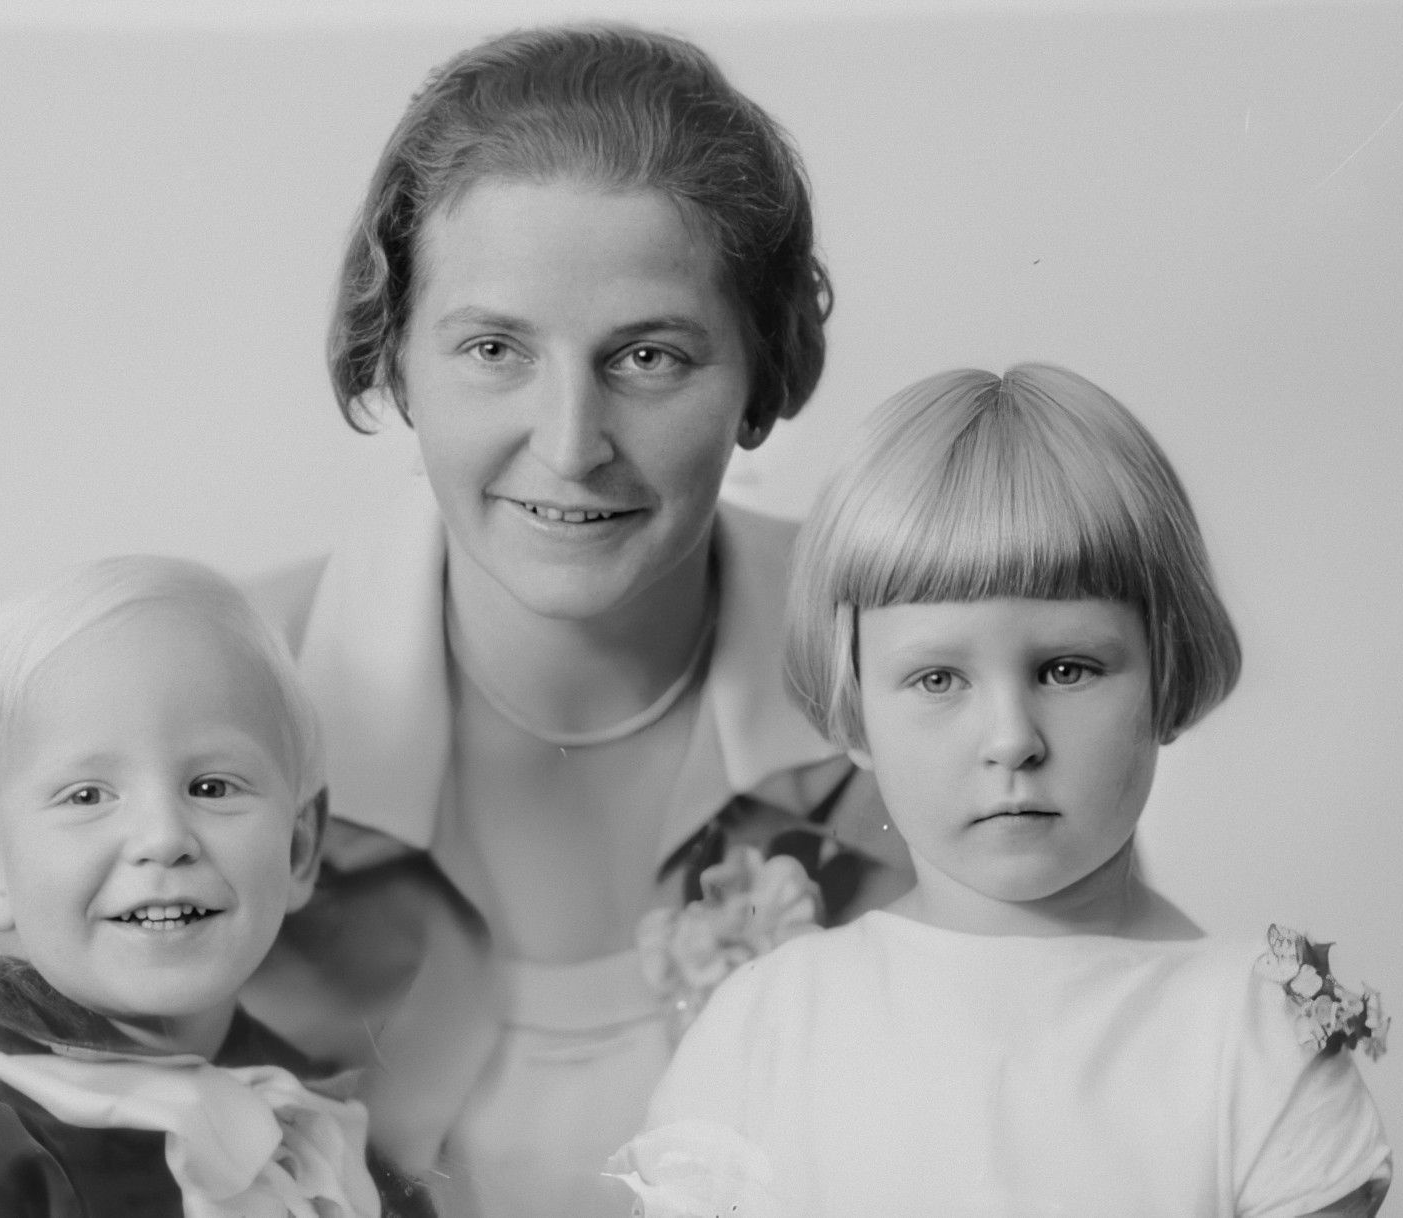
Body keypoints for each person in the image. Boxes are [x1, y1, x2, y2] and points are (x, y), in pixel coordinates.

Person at [230, 23, 915, 1218]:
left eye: (648, 356)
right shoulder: (214, 685)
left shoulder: (926, 672)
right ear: (394, 360)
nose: (568, 444)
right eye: (493, 348)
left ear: (762, 374)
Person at [614, 366, 1393, 1216]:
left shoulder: (1255, 1042)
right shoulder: (766, 1027)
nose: (1012, 738)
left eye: (1067, 669)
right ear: (853, 707)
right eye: (939, 678)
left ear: (1167, 675)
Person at [0, 557, 430, 1218]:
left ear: (299, 848)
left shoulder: (307, 1104)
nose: (163, 836)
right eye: (88, 795)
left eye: (211, 787)